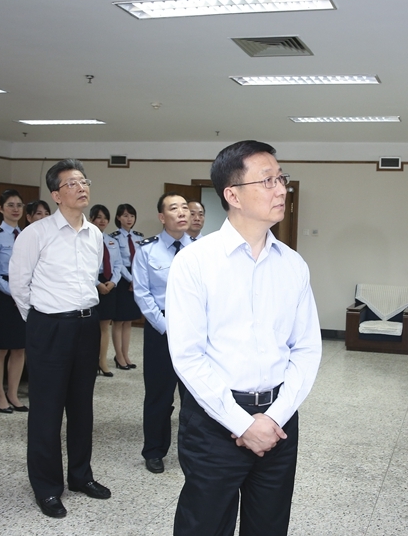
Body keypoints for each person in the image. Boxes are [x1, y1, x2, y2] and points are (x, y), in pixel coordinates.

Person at [166, 140, 322, 536]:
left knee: (269, 525)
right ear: (232, 195)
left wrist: (273, 417)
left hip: (278, 421)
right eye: (267, 180)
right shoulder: (194, 262)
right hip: (213, 421)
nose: (281, 188)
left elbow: (306, 349)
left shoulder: (293, 264)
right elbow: (187, 356)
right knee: (204, 525)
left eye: (281, 178)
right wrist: (241, 423)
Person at [9, 159, 111, 518]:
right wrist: (42, 321)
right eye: (72, 183)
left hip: (87, 325)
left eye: (84, 182)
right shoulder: (36, 233)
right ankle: (47, 487)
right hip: (49, 326)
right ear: (55, 194)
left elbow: (91, 278)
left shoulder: (95, 234)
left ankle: (81, 476)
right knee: (47, 411)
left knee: (82, 407)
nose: (81, 188)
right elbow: (19, 285)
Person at [132, 192, 191, 474]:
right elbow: (142, 293)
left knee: (194, 395)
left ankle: (193, 450)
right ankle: (154, 450)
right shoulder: (147, 250)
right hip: (161, 329)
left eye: (185, 208)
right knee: (159, 394)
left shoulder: (200, 250)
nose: (181, 212)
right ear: (161, 217)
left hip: (194, 329)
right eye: (174, 208)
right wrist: (167, 327)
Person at [0, 189, 28, 413]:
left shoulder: (27, 235)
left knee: (19, 348)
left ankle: (13, 392)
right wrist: (13, 292)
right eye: (10, 205)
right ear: (0, 209)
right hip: (3, 295)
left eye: (19, 205)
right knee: (0, 349)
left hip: (24, 294)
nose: (15, 209)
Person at [89, 204, 124, 377]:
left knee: (105, 326)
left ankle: (102, 361)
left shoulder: (112, 241)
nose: (102, 221)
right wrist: (97, 284)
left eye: (105, 218)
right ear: (91, 219)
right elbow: (84, 265)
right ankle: (90, 361)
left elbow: (118, 264)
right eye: (98, 217)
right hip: (91, 283)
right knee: (90, 327)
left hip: (109, 284)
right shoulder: (85, 240)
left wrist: (113, 283)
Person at [109, 203, 142, 370]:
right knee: (119, 320)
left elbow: (141, 259)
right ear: (118, 218)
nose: (129, 219)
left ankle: (126, 354)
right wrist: (130, 279)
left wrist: (137, 280)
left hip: (136, 277)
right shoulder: (114, 237)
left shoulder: (139, 237)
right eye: (125, 216)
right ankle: (119, 355)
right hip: (122, 279)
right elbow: (117, 262)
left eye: (132, 216)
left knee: (129, 320)